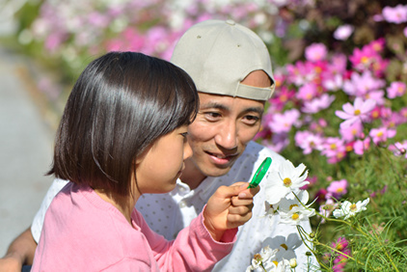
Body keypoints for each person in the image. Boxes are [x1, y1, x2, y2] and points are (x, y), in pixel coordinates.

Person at [0, 20, 317, 271]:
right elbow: (38, 239)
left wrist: (209, 227)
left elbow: (163, 264)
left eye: (250, 118)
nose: (229, 140)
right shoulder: (101, 199)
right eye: (212, 114)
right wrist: (14, 257)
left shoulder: (276, 181)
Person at [29, 51, 259, 271]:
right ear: (138, 144)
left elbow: (163, 264)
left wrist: (210, 226)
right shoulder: (122, 258)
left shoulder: (79, 198)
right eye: (182, 136)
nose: (188, 152)